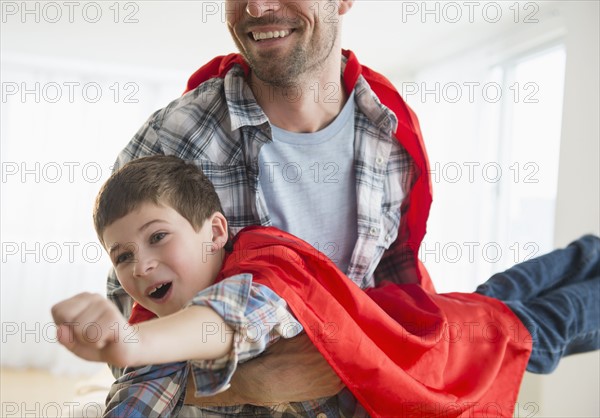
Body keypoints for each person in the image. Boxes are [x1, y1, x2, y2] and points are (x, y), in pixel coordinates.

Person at [103, 0, 599, 412]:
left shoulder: (387, 124)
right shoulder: (172, 142)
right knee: (525, 326)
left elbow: (396, 272)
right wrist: (249, 385)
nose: (257, 7)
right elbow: (131, 336)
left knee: (496, 315)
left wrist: (420, 368)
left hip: (371, 362)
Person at [53, 155, 599, 417]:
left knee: (548, 323)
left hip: (444, 352)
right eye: (122, 256)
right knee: (504, 289)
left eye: (157, 238)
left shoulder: (265, 272)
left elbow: (228, 320)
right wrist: (134, 352)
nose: (141, 266)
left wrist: (126, 341)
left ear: (215, 232)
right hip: (425, 314)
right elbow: (142, 393)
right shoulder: (159, 330)